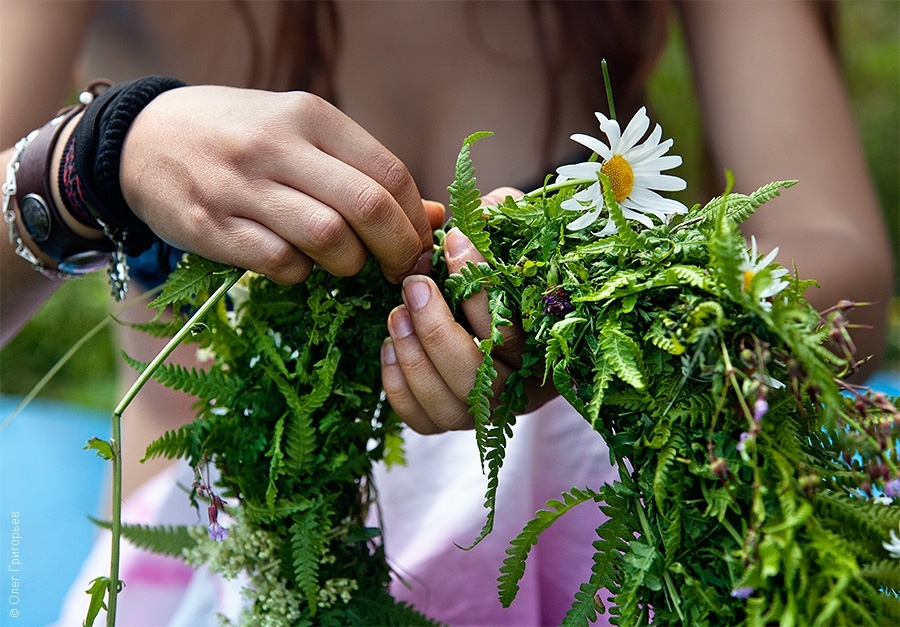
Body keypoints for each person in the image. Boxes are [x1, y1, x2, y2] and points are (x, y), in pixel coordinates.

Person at [0, 1, 893, 625]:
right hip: (244, 562)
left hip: (608, 536)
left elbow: (838, 255)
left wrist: (587, 312)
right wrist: (105, 154)